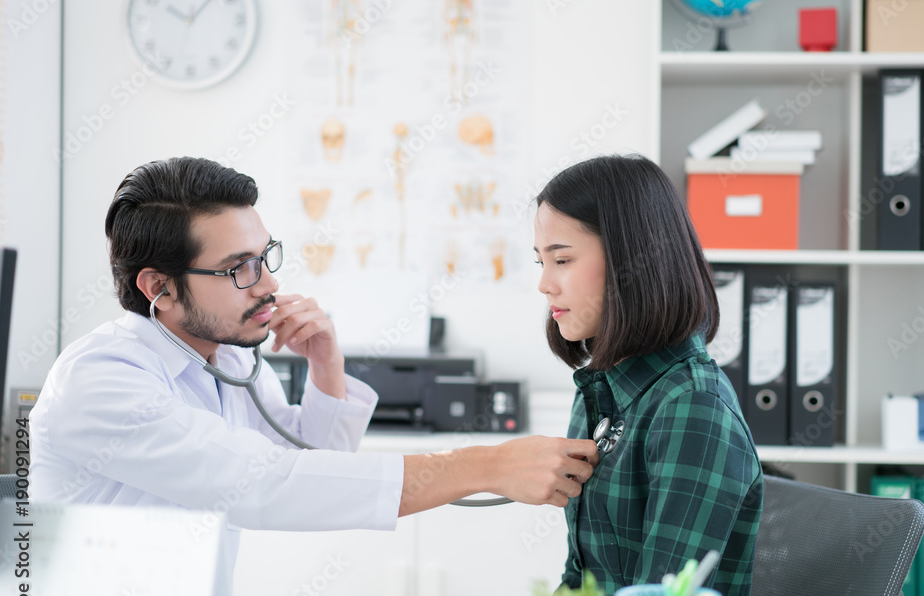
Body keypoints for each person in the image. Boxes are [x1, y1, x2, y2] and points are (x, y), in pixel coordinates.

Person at [29, 156, 598, 551]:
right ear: (159, 288)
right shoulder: (101, 381)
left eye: (265, 256)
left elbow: (318, 464)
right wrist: (484, 466)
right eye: (239, 269)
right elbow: (267, 486)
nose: (269, 285)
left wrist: (327, 368)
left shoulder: (228, 363)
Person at [532, 154, 763, 596]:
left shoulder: (693, 406)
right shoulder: (600, 392)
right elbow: (582, 582)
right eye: (541, 262)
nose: (544, 284)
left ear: (629, 260)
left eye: (561, 259)